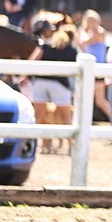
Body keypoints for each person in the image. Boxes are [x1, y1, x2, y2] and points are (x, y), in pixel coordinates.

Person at [26, 20, 78, 154]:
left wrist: (24, 76)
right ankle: (71, 146)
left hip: (41, 82)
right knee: (66, 117)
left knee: (40, 116)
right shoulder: (71, 50)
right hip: (59, 84)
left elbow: (33, 60)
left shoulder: (46, 46)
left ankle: (42, 145)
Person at [76, 10, 111, 121]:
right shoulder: (88, 34)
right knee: (94, 100)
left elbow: (84, 42)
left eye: (93, 21)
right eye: (89, 21)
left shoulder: (100, 32)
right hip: (89, 68)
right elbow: (83, 48)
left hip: (98, 70)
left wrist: (80, 33)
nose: (91, 23)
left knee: (98, 101)